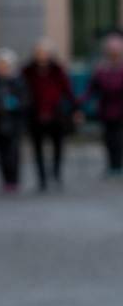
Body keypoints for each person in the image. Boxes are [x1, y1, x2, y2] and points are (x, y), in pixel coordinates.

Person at [20, 39, 76, 190]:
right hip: (35, 114)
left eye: (44, 53)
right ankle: (42, 178)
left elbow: (67, 90)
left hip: (55, 114)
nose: (42, 56)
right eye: (39, 52)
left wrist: (76, 108)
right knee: (37, 147)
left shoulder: (57, 70)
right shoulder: (27, 71)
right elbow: (21, 91)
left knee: (58, 146)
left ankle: (56, 174)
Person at [80, 34, 123, 178]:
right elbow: (91, 89)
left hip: (120, 110)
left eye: (116, 51)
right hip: (106, 110)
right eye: (111, 51)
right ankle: (112, 165)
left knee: (119, 138)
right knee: (109, 139)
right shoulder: (101, 69)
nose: (114, 54)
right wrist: (79, 104)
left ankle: (118, 165)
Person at [0, 49, 28, 193]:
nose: (3, 68)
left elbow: (25, 100)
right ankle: (5, 179)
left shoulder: (17, 82)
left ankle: (14, 179)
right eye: (1, 65)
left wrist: (14, 105)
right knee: (1, 152)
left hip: (14, 122)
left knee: (13, 152)